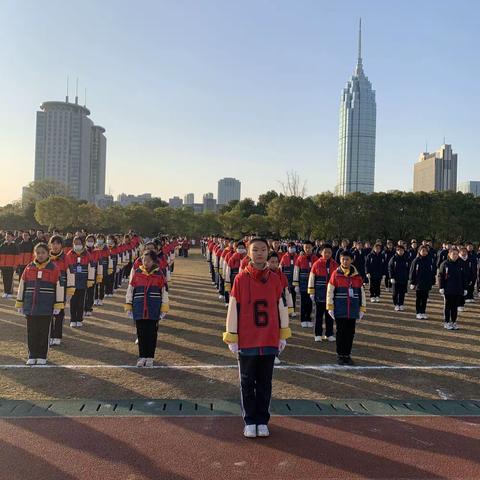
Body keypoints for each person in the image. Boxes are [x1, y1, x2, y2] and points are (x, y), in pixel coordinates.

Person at [223, 238, 291, 438]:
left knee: (265, 382)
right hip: (247, 339)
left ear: (268, 252)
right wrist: (232, 336)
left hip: (269, 338)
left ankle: (262, 419)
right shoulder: (240, 279)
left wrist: (283, 333)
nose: (260, 253)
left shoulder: (276, 279)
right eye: (255, 250)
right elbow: (233, 308)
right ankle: (250, 420)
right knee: (246, 382)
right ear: (248, 253)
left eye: (263, 249)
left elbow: (282, 307)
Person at [15, 243, 64, 365]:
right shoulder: (29, 267)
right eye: (38, 253)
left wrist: (58, 304)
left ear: (48, 253)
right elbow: (22, 286)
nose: (40, 255)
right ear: (34, 254)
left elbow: (59, 287)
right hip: (30, 307)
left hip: (46, 307)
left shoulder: (54, 268)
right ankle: (32, 354)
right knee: (32, 332)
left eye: (43, 252)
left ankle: (42, 355)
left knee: (44, 332)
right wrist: (20, 303)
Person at [125, 250, 169, 367]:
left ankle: (150, 357)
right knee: (141, 333)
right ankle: (142, 356)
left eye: (148, 260)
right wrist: (128, 305)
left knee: (152, 333)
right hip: (139, 308)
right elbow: (130, 290)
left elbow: (164, 292)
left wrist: (164, 308)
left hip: (153, 308)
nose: (146, 262)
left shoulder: (159, 274)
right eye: (144, 260)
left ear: (154, 261)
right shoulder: (137, 273)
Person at [327, 251, 366, 365]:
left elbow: (361, 293)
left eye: (347, 259)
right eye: (343, 259)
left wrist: (362, 308)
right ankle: (340, 355)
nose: (345, 261)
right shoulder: (335, 274)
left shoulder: (357, 276)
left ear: (351, 260)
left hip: (353, 310)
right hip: (340, 310)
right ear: (340, 260)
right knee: (340, 333)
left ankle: (347, 355)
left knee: (350, 333)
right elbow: (330, 292)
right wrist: (330, 307)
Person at [308, 244, 338, 342]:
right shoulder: (316, 264)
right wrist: (311, 292)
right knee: (318, 315)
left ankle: (329, 334)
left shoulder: (335, 265)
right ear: (321, 253)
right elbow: (311, 279)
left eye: (329, 252)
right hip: (319, 294)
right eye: (325, 252)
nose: (327, 254)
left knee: (330, 315)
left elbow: (338, 280)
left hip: (330, 296)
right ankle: (318, 334)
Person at [48, 235, 73, 346]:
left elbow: (71, 274)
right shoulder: (45, 256)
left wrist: (70, 291)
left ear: (61, 245)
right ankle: (49, 335)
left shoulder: (66, 257)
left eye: (58, 243)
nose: (55, 246)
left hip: (61, 289)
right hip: (47, 289)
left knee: (59, 313)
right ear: (50, 245)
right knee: (47, 313)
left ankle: (57, 335)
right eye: (53, 243)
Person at [66, 237, 95, 327]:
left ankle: (79, 319)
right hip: (72, 283)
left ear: (82, 244)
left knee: (81, 301)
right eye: (75, 243)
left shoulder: (87, 254)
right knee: (73, 301)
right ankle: (73, 319)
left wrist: (90, 280)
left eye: (79, 243)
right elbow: (66, 268)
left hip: (83, 282)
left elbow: (91, 267)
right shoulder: (69, 254)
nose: (77, 245)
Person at [438, 248, 467, 330]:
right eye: (453, 254)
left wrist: (465, 288)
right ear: (449, 254)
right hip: (448, 289)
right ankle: (446, 322)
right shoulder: (445, 264)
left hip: (458, 289)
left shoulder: (461, 264)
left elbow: (464, 277)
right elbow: (440, 276)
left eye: (456, 254)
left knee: (455, 307)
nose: (455, 256)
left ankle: (453, 322)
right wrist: (441, 287)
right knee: (448, 306)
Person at [293, 241, 318, 328]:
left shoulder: (315, 258)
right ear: (303, 248)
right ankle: (303, 319)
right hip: (303, 284)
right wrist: (296, 284)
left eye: (309, 247)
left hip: (312, 284)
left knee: (310, 302)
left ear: (312, 248)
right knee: (303, 302)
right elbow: (296, 272)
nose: (307, 249)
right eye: (306, 247)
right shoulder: (300, 258)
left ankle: (309, 319)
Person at [409, 245, 435, 319]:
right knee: (419, 298)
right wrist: (412, 282)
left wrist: (432, 281)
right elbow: (412, 272)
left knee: (425, 298)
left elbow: (432, 271)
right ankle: (418, 312)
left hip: (427, 283)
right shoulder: (416, 260)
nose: (424, 252)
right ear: (419, 251)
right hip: (418, 283)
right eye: (422, 251)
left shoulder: (430, 260)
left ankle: (423, 312)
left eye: (425, 251)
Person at [388, 244, 409, 311]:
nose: (401, 251)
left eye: (402, 250)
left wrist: (408, 277)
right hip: (395, 279)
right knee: (395, 293)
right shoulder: (393, 259)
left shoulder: (406, 258)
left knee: (402, 293)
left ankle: (401, 304)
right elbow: (390, 268)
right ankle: (396, 304)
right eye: (399, 250)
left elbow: (408, 268)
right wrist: (391, 277)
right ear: (397, 251)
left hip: (403, 278)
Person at [279, 242, 298, 317]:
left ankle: (292, 311)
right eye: (290, 247)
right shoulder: (284, 257)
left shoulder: (298, 256)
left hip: (294, 280)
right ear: (287, 248)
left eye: (293, 247)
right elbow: (280, 268)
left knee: (293, 296)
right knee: (286, 296)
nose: (292, 248)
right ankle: (286, 310)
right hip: (286, 281)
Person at [0, 231, 19, 298]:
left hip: (11, 266)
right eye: (6, 236)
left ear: (12, 237)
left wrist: (15, 265)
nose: (7, 238)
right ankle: (5, 292)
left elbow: (17, 257)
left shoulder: (15, 246)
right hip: (3, 265)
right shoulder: (2, 245)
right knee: (4, 279)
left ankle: (9, 293)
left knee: (10, 279)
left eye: (9, 236)